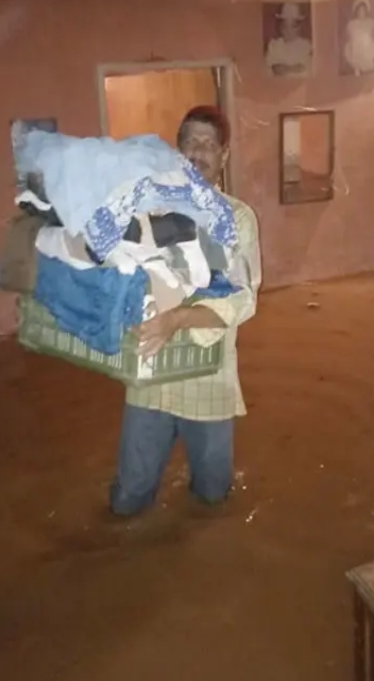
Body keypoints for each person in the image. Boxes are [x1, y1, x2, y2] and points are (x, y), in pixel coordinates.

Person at [109, 105, 263, 517]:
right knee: (129, 500)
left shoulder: (239, 219)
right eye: (190, 142)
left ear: (224, 156)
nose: (198, 151)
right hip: (151, 377)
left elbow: (242, 298)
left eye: (208, 144)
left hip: (209, 379)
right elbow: (117, 273)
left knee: (213, 499)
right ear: (178, 152)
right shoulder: (148, 212)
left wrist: (177, 318)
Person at [265, 2, 312, 77]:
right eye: (285, 26)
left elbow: (307, 69)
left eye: (292, 27)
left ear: (299, 28)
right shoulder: (274, 46)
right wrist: (293, 68)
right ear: (280, 27)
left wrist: (287, 69)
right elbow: (272, 69)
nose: (288, 31)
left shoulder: (305, 46)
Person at [343, 0, 374, 76]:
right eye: (359, 10)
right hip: (355, 47)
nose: (361, 12)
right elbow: (350, 37)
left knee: (368, 65)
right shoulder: (352, 24)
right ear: (356, 12)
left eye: (363, 10)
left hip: (367, 47)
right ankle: (357, 68)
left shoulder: (370, 23)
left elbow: (371, 35)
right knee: (356, 63)